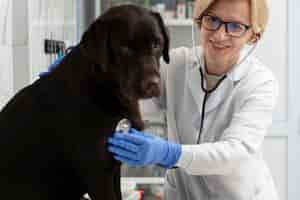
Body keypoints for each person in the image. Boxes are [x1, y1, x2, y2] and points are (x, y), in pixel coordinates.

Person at [107, 0, 280, 199]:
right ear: (199, 20)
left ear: (253, 35)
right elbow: (131, 101)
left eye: (235, 26)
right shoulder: (174, 65)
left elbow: (236, 152)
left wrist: (169, 153)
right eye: (212, 20)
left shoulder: (260, 83)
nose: (219, 34)